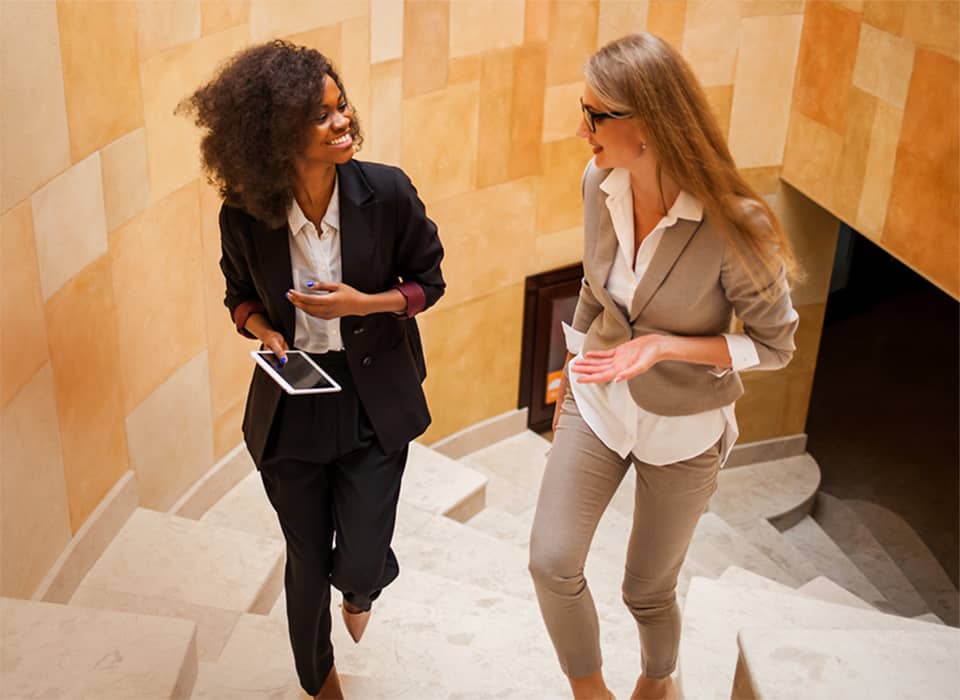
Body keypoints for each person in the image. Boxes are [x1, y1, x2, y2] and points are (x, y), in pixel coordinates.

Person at [528, 33, 800, 700]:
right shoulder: (599, 182)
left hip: (684, 426)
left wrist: (668, 346)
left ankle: (659, 680)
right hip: (596, 403)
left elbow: (775, 345)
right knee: (551, 562)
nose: (579, 129)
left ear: (643, 124)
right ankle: (590, 691)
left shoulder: (736, 225)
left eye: (593, 115)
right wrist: (576, 367)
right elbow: (595, 289)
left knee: (646, 590)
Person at [179, 41, 444, 699]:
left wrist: (368, 303)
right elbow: (236, 293)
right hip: (291, 403)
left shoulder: (386, 192)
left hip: (372, 399)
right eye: (321, 115)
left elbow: (428, 282)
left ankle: (363, 582)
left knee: (357, 557)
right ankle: (318, 681)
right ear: (276, 138)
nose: (342, 120)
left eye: (341, 103)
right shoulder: (243, 212)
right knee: (304, 558)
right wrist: (263, 329)